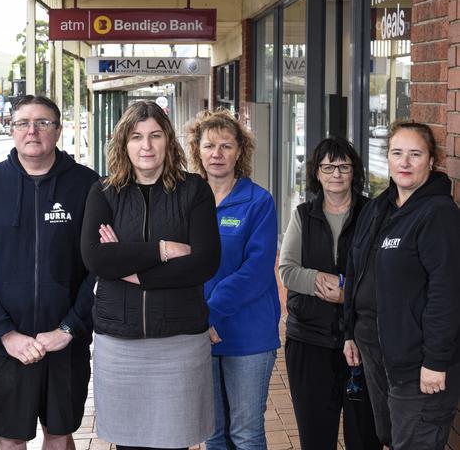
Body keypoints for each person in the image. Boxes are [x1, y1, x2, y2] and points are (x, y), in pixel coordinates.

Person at [0, 95, 98, 450]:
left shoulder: (87, 186)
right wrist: (5, 334)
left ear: (59, 131)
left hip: (66, 343)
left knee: (60, 435)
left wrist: (69, 328)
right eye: (23, 123)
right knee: (9, 439)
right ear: (11, 130)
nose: (32, 131)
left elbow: (98, 270)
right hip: (6, 345)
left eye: (43, 123)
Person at [81, 100, 221, 450]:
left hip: (179, 341)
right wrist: (162, 250)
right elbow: (96, 259)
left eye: (155, 135)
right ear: (123, 143)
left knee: (175, 444)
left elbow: (205, 262)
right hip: (119, 343)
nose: (146, 146)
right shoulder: (104, 192)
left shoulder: (194, 190)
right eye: (136, 136)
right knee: (127, 445)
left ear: (168, 141)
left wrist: (132, 270)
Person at [343, 122, 460, 450]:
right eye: (397, 153)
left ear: (431, 161)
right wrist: (349, 331)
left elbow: (446, 292)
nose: (405, 162)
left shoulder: (439, 214)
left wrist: (436, 360)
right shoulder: (378, 208)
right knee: (392, 440)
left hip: (417, 366)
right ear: (388, 159)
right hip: (377, 356)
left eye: (415, 154)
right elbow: (355, 268)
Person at [185, 109, 280, 450]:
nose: (217, 154)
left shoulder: (258, 202)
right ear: (197, 150)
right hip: (199, 333)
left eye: (226, 146)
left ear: (241, 150)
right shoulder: (186, 200)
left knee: (246, 433)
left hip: (248, 335)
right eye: (209, 145)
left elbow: (255, 272)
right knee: (213, 433)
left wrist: (208, 314)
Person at [279, 137, 381, 450]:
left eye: (343, 167)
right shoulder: (303, 215)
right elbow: (287, 270)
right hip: (309, 341)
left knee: (365, 438)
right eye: (328, 167)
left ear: (355, 172)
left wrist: (348, 293)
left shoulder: (374, 214)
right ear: (317, 173)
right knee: (315, 437)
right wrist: (319, 281)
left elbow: (385, 272)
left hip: (363, 343)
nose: (336, 174)